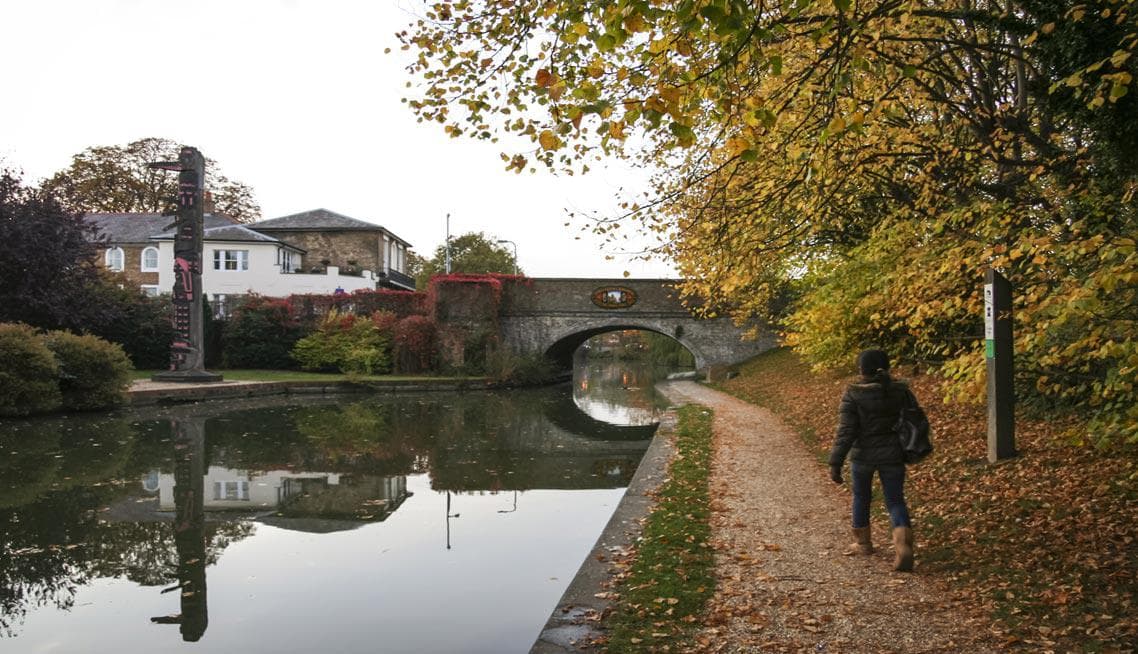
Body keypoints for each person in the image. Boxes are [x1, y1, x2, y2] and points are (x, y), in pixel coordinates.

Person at [827, 349, 921, 572]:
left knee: (861, 496)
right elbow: (912, 419)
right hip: (893, 455)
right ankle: (902, 542)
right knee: (895, 500)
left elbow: (846, 431)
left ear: (861, 369)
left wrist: (835, 462)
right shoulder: (900, 391)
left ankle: (863, 544)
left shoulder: (853, 393)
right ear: (887, 367)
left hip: (863, 456)